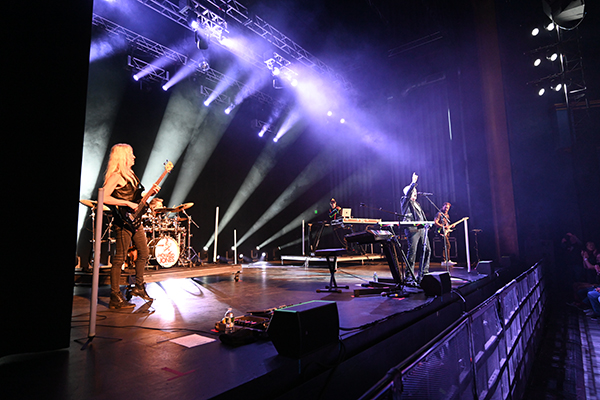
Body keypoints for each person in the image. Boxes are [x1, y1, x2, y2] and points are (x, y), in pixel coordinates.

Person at [102, 144, 160, 309]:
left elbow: (135, 197)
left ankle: (139, 287)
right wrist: (126, 202)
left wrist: (150, 193)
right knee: (119, 258)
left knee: (144, 252)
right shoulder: (116, 176)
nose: (134, 157)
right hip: (123, 222)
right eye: (131, 154)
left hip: (135, 220)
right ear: (124, 157)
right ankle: (115, 297)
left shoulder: (131, 175)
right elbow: (103, 196)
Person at [400, 172, 431, 285]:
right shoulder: (405, 201)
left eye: (415, 192)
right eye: (413, 192)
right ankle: (409, 276)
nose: (415, 193)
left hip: (422, 229)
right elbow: (408, 194)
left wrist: (426, 224)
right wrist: (413, 183)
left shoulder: (417, 203)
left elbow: (421, 216)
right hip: (412, 229)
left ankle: (424, 273)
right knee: (412, 252)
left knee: (427, 250)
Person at [434, 202, 456, 267]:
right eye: (445, 207)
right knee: (446, 245)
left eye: (448, 208)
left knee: (447, 245)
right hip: (440, 232)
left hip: (446, 232)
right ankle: (444, 260)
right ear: (443, 206)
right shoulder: (439, 214)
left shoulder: (446, 215)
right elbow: (435, 222)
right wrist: (442, 226)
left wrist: (450, 226)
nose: (446, 209)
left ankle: (447, 260)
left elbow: (447, 224)